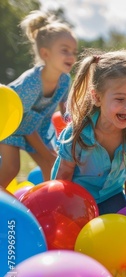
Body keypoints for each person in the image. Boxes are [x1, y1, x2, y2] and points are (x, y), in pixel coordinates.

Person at [51, 49, 126, 214]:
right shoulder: (77, 134)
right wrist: (60, 210)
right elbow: (64, 175)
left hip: (111, 196)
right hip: (76, 197)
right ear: (97, 98)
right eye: (120, 99)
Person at [0, 10, 77, 188]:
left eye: (74, 51)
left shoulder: (64, 80)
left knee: (52, 167)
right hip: (11, 124)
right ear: (45, 54)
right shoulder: (32, 83)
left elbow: (66, 112)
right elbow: (24, 125)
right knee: (11, 168)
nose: (71, 56)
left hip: (37, 127)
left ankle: (46, 205)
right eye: (64, 51)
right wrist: (47, 152)